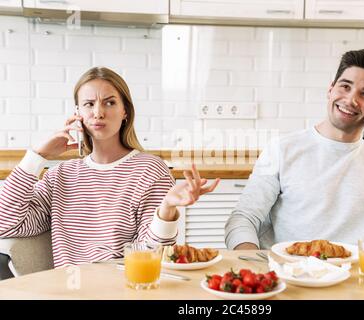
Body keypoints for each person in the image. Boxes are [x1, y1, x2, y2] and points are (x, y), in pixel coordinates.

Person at [0, 67, 219, 268]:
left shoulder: (150, 170)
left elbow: (153, 255)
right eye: (89, 104)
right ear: (78, 113)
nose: (98, 112)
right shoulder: (60, 176)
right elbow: (5, 225)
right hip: (69, 293)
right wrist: (36, 157)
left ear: (125, 111)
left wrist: (166, 210)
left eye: (110, 102)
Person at [225, 49, 364, 256]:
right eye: (345, 86)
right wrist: (255, 267)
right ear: (330, 89)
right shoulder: (282, 150)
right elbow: (243, 219)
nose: (350, 99)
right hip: (291, 274)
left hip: (355, 279)